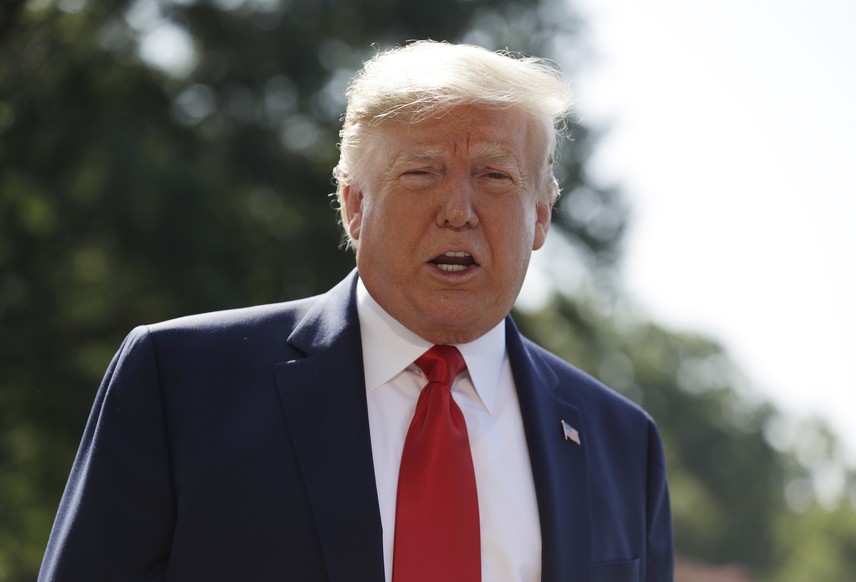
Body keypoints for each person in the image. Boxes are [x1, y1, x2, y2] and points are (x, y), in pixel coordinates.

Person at [39, 40, 673, 582]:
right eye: (421, 171)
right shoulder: (179, 384)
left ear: (540, 216)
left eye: (496, 176)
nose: (458, 208)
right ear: (353, 205)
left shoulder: (624, 444)